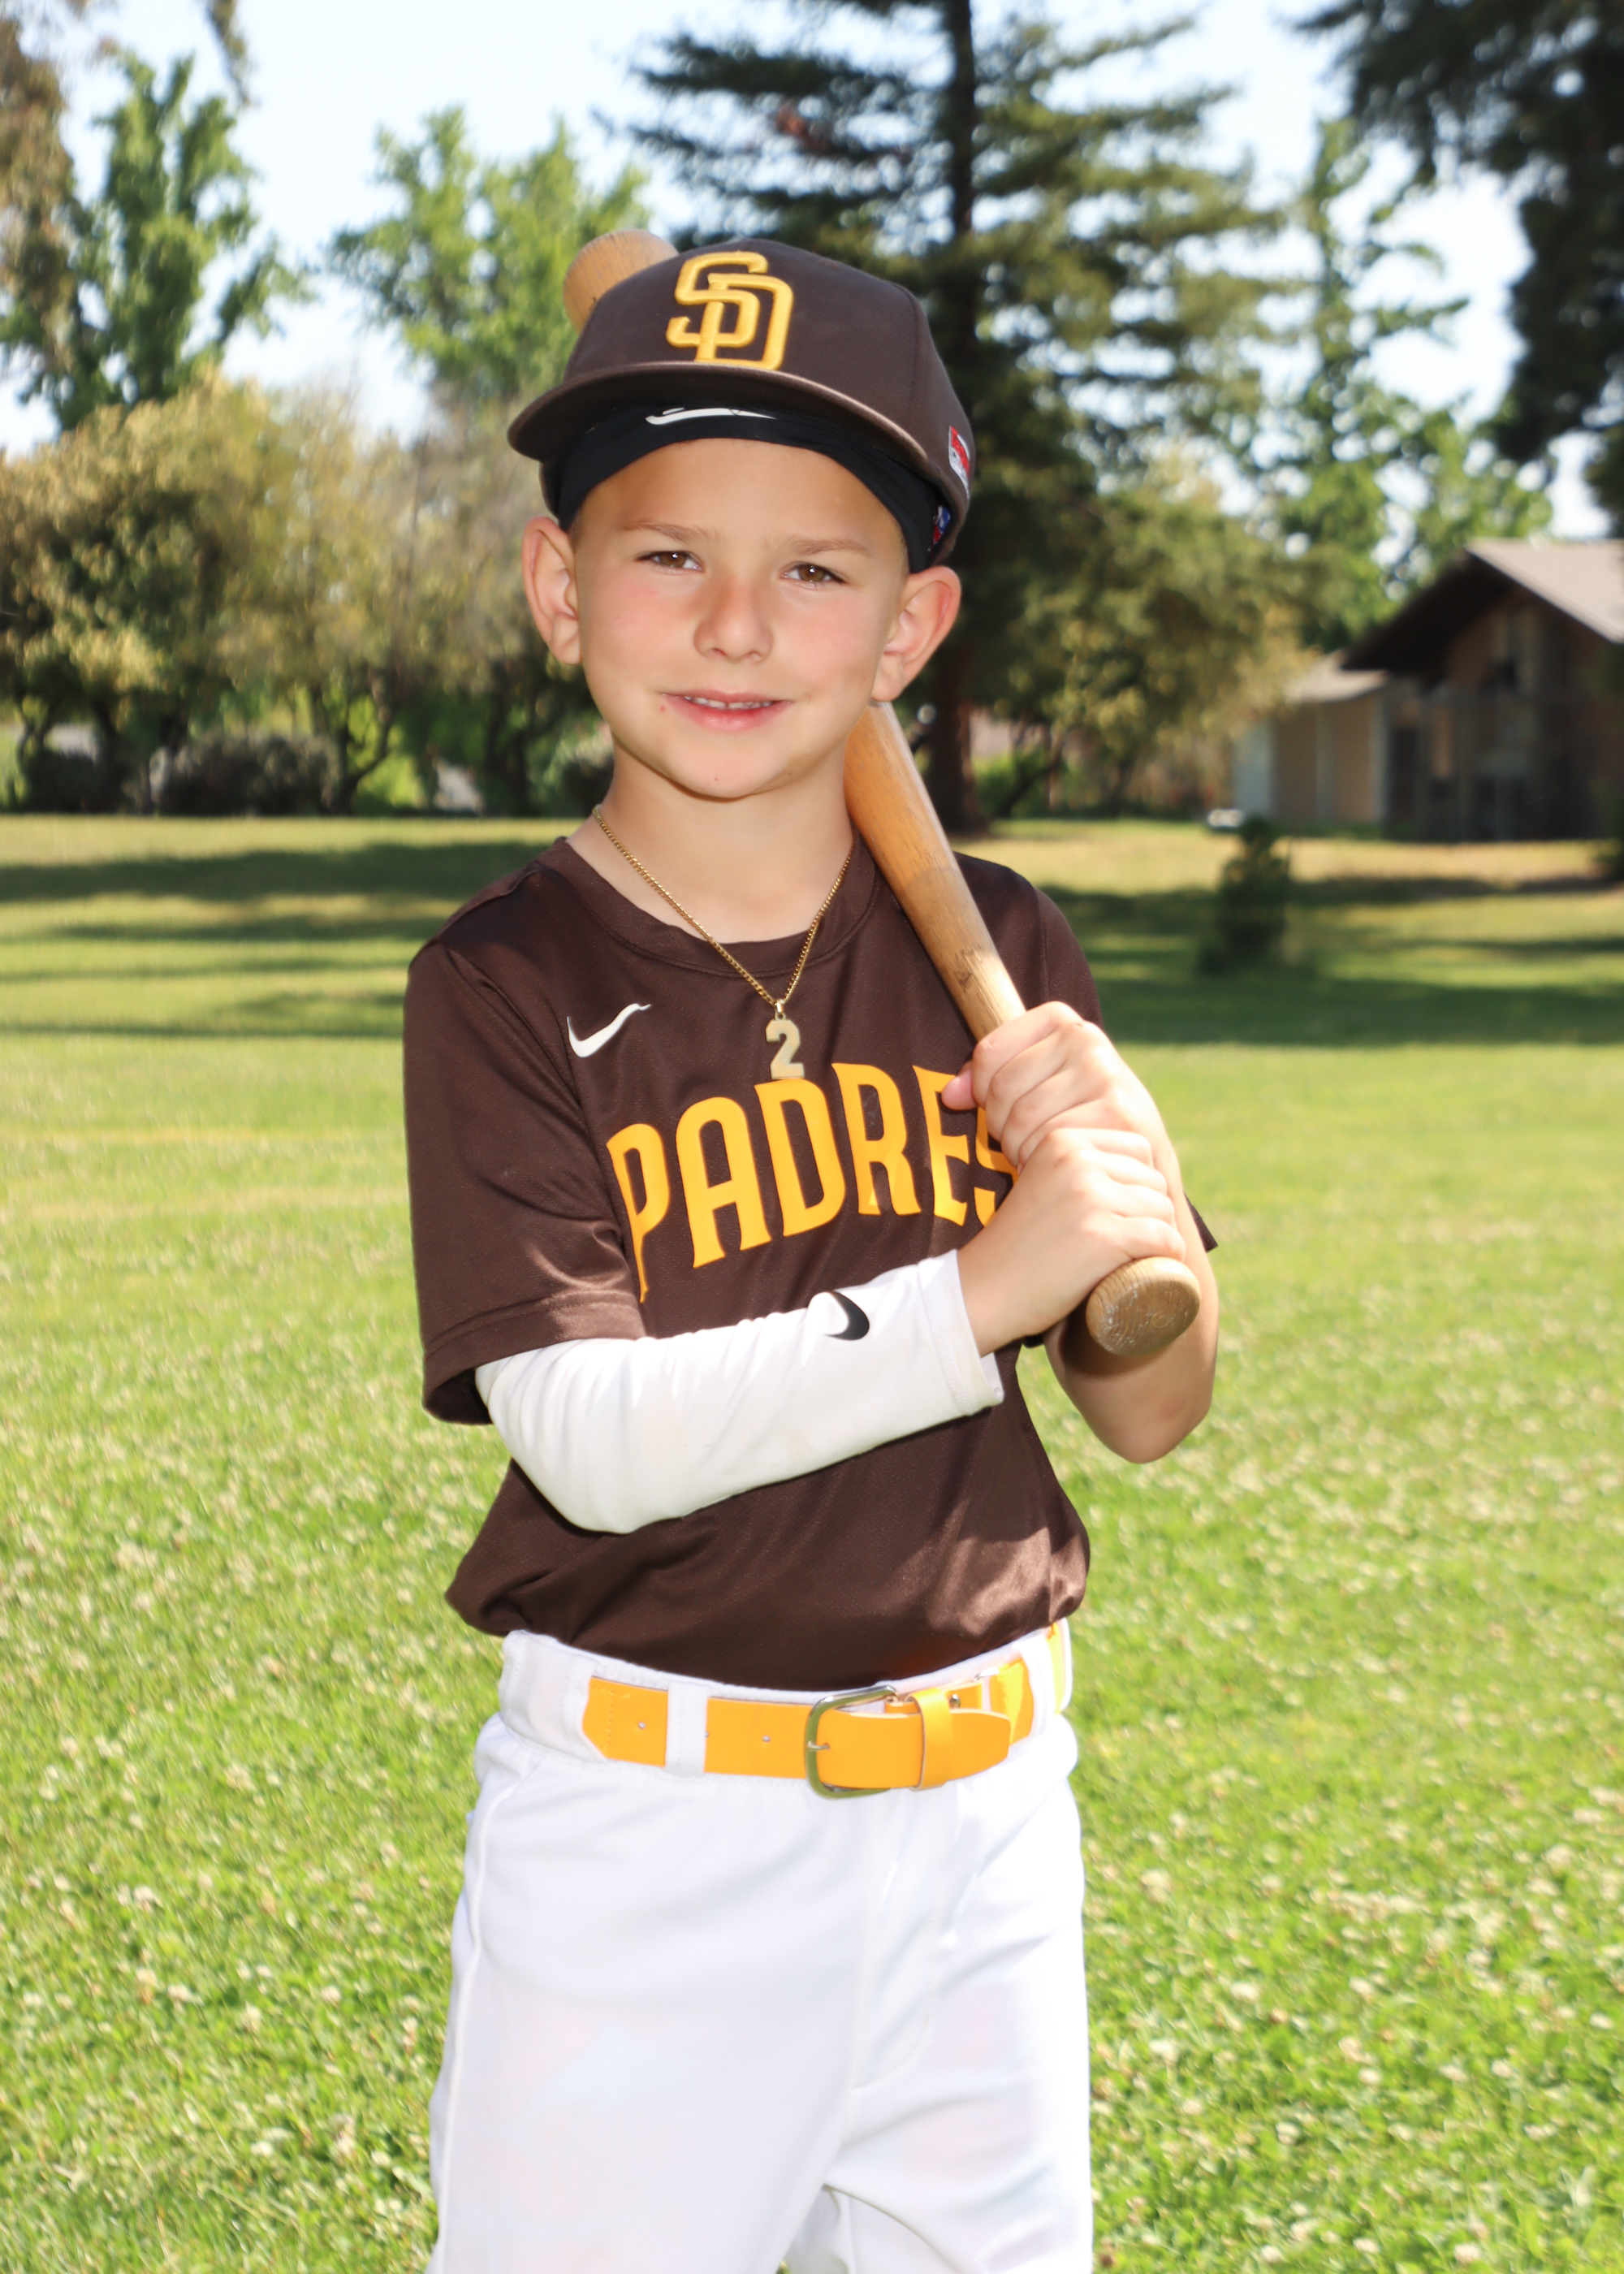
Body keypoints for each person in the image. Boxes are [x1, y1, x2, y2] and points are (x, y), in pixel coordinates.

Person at [402, 237, 1219, 2274]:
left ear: (910, 624)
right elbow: (589, 1438)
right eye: (669, 555)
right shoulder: (504, 979)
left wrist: (1122, 1180)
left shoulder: (999, 946)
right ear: (558, 587)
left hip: (986, 1822)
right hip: (653, 1844)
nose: (739, 624)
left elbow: (1149, 1408)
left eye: (818, 570)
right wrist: (984, 1286)